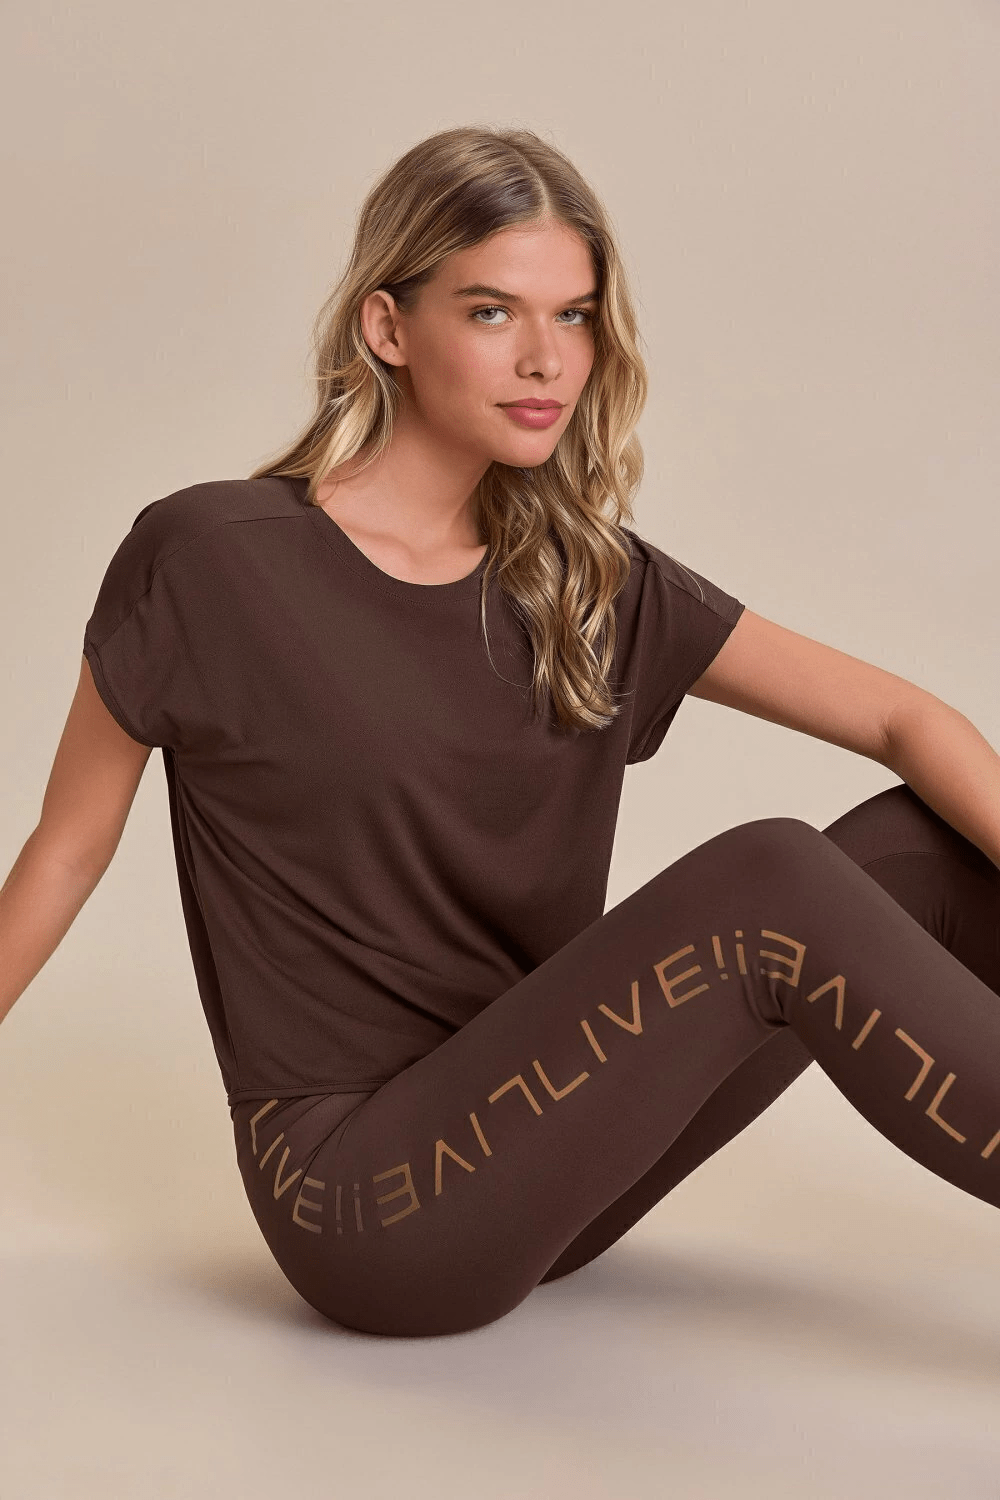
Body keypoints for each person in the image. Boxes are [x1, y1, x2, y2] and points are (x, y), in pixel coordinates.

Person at [3, 125, 998, 1341]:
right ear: (386, 327)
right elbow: (67, 850)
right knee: (772, 882)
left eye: (573, 316)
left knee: (924, 847)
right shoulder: (212, 560)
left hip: (558, 1166)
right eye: (491, 313)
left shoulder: (580, 579)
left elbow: (902, 718)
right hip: (370, 1202)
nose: (546, 358)